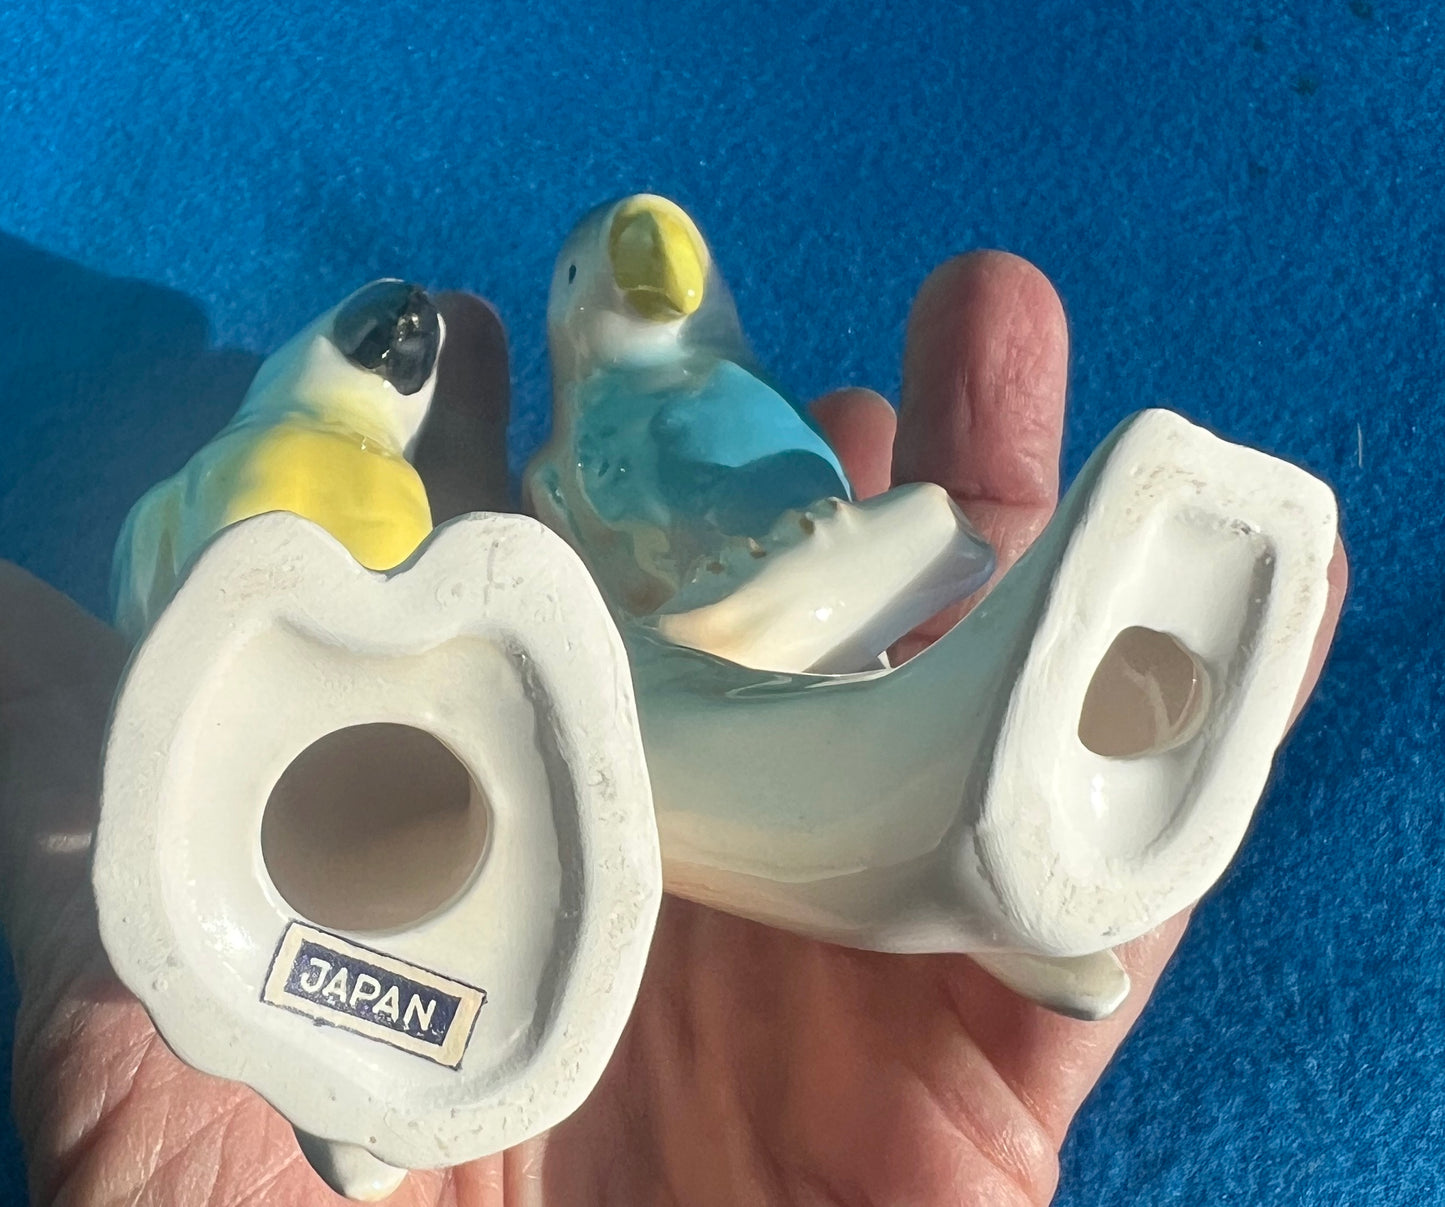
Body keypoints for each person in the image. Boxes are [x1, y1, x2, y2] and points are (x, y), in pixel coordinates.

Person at [0, 251, 1347, 1206]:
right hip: (336, 715)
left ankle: (948, 815)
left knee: (614, 719)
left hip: (537, 686)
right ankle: (943, 820)